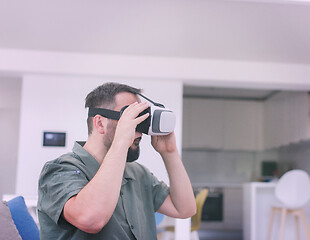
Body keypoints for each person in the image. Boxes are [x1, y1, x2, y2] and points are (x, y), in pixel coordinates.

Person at [37, 82, 196, 239]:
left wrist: (170, 152)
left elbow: (183, 209)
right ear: (100, 123)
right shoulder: (59, 170)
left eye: (141, 121)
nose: (139, 131)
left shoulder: (138, 173)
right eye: (131, 119)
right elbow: (91, 219)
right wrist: (121, 142)